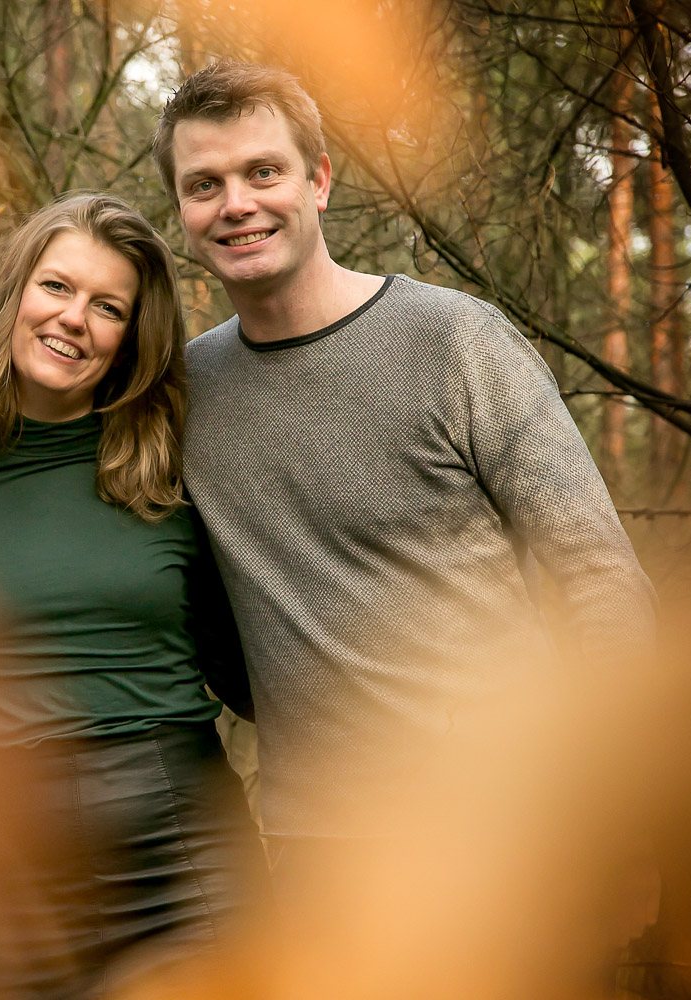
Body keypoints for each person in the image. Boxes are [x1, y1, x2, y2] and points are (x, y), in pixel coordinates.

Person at [147, 62, 656, 869]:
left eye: (263, 172)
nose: (236, 203)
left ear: (318, 181)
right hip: (316, 849)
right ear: (181, 211)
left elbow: (600, 578)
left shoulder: (456, 343)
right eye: (204, 183)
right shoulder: (184, 394)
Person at [0, 192, 267, 1000]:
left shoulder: (178, 472)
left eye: (108, 307)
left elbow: (255, 658)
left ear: (129, 338)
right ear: (17, 297)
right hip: (19, 863)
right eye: (58, 288)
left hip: (186, 842)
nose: (74, 319)